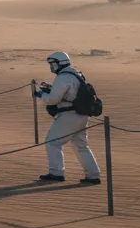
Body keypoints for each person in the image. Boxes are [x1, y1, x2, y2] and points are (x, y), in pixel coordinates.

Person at [34, 51, 101, 184]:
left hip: (69, 116)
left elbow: (53, 99)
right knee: (81, 146)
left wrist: (42, 95)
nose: (52, 67)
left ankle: (56, 172)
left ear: (60, 63)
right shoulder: (76, 73)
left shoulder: (63, 77)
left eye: (53, 64)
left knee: (52, 142)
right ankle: (93, 175)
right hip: (81, 115)